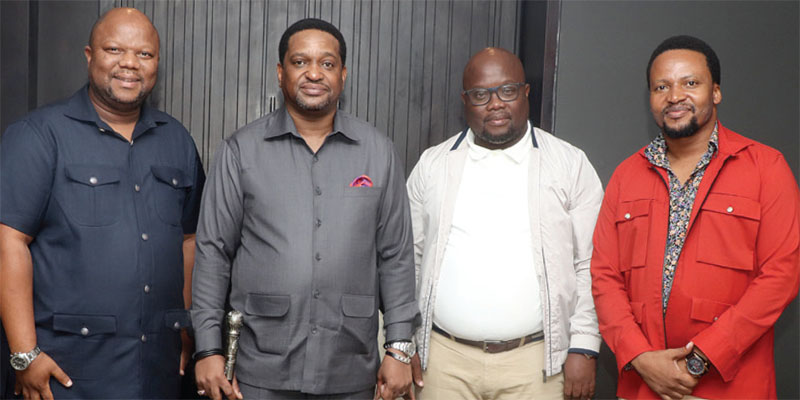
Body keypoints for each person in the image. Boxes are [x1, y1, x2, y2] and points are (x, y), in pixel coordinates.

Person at [191, 18, 420, 400]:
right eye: (300, 62)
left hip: (350, 365)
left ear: (343, 75)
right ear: (281, 73)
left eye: (327, 63)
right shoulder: (241, 151)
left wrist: (399, 349)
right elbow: (213, 252)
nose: (314, 73)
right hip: (261, 367)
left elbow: (396, 256)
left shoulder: (378, 152)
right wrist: (207, 348)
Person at [0, 7, 205, 399]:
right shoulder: (39, 135)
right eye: (115, 49)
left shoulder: (177, 140)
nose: (130, 63)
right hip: (66, 373)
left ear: (157, 63)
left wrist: (183, 331)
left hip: (157, 370)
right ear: (89, 55)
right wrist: (24, 354)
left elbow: (189, 241)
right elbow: (9, 241)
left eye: (145, 54)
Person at [591, 35, 800, 399]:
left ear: (715, 92)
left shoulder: (766, 168)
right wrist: (639, 356)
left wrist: (700, 359)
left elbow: (781, 276)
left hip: (732, 385)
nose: (675, 96)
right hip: (643, 384)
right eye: (661, 86)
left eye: (690, 83)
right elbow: (604, 276)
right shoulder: (626, 175)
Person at [406, 47, 603, 400]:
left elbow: (591, 263)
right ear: (465, 101)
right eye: (481, 95)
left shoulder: (569, 164)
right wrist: (406, 343)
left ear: (526, 93)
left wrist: (584, 346)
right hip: (443, 362)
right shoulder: (432, 165)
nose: (495, 104)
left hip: (536, 364)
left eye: (507, 91)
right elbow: (409, 262)